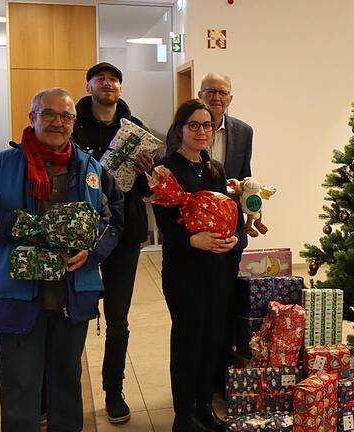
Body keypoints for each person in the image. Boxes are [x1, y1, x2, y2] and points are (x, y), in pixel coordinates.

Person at [0, 87, 124, 431]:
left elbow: (114, 218)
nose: (57, 122)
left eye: (64, 116)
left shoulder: (91, 169)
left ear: (74, 121)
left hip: (72, 295)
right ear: (32, 118)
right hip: (16, 296)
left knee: (67, 385)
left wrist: (94, 251)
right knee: (19, 387)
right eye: (47, 114)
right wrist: (12, 224)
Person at [72, 62, 156, 423]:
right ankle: (62, 392)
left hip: (125, 232)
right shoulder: (70, 127)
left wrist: (146, 171)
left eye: (114, 80)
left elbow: (152, 187)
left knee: (118, 318)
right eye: (101, 79)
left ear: (121, 88)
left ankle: (114, 390)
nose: (108, 84)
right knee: (71, 316)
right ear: (89, 85)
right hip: (80, 232)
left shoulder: (136, 132)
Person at [153, 99, 238, 432]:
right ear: (180, 130)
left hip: (217, 265)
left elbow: (230, 212)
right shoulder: (166, 168)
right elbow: (164, 219)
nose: (202, 131)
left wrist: (233, 237)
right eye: (194, 125)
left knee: (213, 336)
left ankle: (204, 406)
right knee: (188, 337)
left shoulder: (213, 168)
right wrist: (191, 240)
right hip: (184, 267)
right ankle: (182, 414)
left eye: (207, 125)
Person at [196, 72, 253, 395]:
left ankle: (220, 377)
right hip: (195, 235)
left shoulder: (244, 132)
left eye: (223, 92)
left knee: (225, 306)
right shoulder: (184, 129)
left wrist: (249, 213)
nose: (217, 97)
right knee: (198, 309)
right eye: (211, 91)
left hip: (230, 234)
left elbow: (245, 177)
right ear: (200, 94)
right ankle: (198, 378)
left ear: (230, 98)